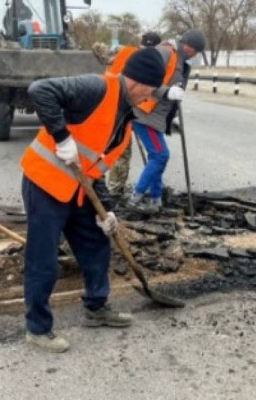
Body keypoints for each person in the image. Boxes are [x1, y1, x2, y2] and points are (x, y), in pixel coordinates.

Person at [19, 47, 166, 352]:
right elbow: (40, 90)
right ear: (138, 82)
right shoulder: (98, 88)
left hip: (78, 189)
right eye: (150, 91)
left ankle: (96, 308)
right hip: (45, 182)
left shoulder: (124, 121)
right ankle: (38, 328)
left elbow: (94, 169)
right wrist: (61, 136)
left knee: (97, 244)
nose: (149, 97)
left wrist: (107, 210)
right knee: (43, 259)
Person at [126, 29, 206, 213]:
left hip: (158, 116)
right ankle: (135, 199)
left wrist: (174, 115)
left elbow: (175, 93)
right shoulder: (165, 52)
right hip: (144, 113)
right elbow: (141, 77)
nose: (194, 54)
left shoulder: (183, 64)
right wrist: (165, 92)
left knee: (158, 158)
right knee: (160, 155)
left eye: (197, 52)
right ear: (186, 44)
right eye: (193, 49)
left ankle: (155, 201)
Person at [107, 31, 163, 199]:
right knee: (120, 149)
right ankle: (113, 192)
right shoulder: (145, 60)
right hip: (119, 104)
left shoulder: (125, 52)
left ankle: (114, 190)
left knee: (120, 150)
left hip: (119, 102)